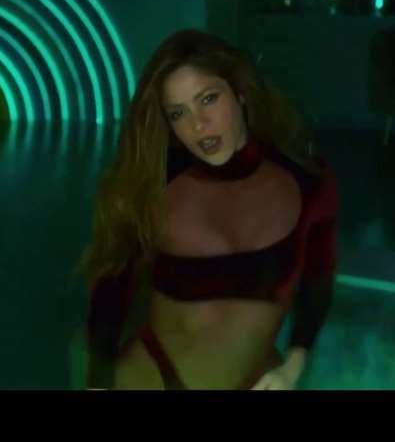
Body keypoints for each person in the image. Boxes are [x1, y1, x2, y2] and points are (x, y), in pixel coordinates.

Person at [73, 29, 338, 390]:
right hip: (151, 378)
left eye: (208, 99)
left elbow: (317, 281)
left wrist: (293, 365)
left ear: (240, 93)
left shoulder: (308, 181)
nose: (197, 124)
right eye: (178, 113)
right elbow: (111, 292)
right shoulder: (154, 184)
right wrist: (98, 385)